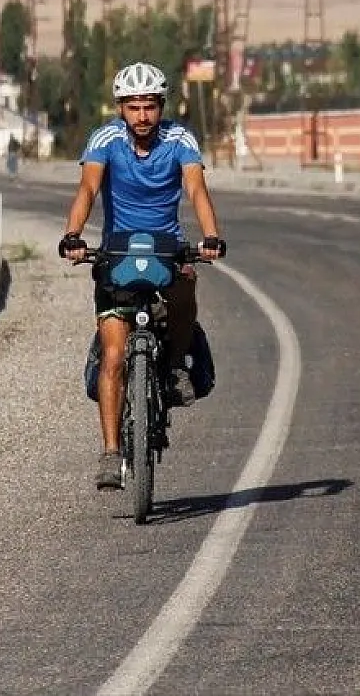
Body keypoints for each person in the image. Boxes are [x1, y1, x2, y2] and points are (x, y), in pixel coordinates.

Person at [59, 61, 226, 491]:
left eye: (150, 106)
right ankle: (111, 453)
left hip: (167, 248)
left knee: (186, 287)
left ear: (161, 106)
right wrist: (73, 236)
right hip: (117, 252)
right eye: (133, 107)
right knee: (114, 355)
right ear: (121, 108)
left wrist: (211, 237)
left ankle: (176, 366)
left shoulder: (180, 139)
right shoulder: (105, 140)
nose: (142, 116)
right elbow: (87, 189)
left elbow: (196, 189)